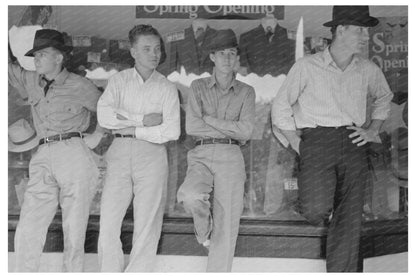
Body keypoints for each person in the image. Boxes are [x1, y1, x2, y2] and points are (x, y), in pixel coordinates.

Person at [271, 6, 393, 272]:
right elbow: (280, 106)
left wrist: (373, 129)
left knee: (349, 219)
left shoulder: (368, 69)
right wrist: (296, 142)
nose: (366, 36)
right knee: (315, 209)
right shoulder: (307, 66)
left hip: (353, 141)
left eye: (367, 30)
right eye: (360, 29)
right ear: (341, 30)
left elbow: (384, 97)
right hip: (316, 142)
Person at [8, 29, 103, 272]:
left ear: (59, 58)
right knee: (28, 227)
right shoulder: (31, 80)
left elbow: (108, 112)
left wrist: (97, 137)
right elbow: (7, 65)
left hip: (73, 152)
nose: (36, 59)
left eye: (42, 54)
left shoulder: (80, 85)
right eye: (35, 55)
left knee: (74, 230)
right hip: (42, 153)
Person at [96, 24, 180, 272]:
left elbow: (171, 131)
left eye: (157, 49)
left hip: (152, 155)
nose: (154, 54)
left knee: (147, 223)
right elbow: (105, 117)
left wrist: (130, 127)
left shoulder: (166, 88)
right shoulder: (118, 81)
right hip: (119, 153)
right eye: (146, 49)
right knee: (109, 221)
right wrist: (142, 121)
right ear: (133, 52)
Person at [177, 29, 256, 272]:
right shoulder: (198, 86)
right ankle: (204, 233)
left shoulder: (246, 91)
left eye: (232, 53)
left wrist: (210, 120)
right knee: (189, 196)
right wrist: (229, 128)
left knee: (228, 225)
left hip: (231, 157)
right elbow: (192, 126)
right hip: (200, 154)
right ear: (212, 57)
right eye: (222, 53)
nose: (228, 59)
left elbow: (245, 132)